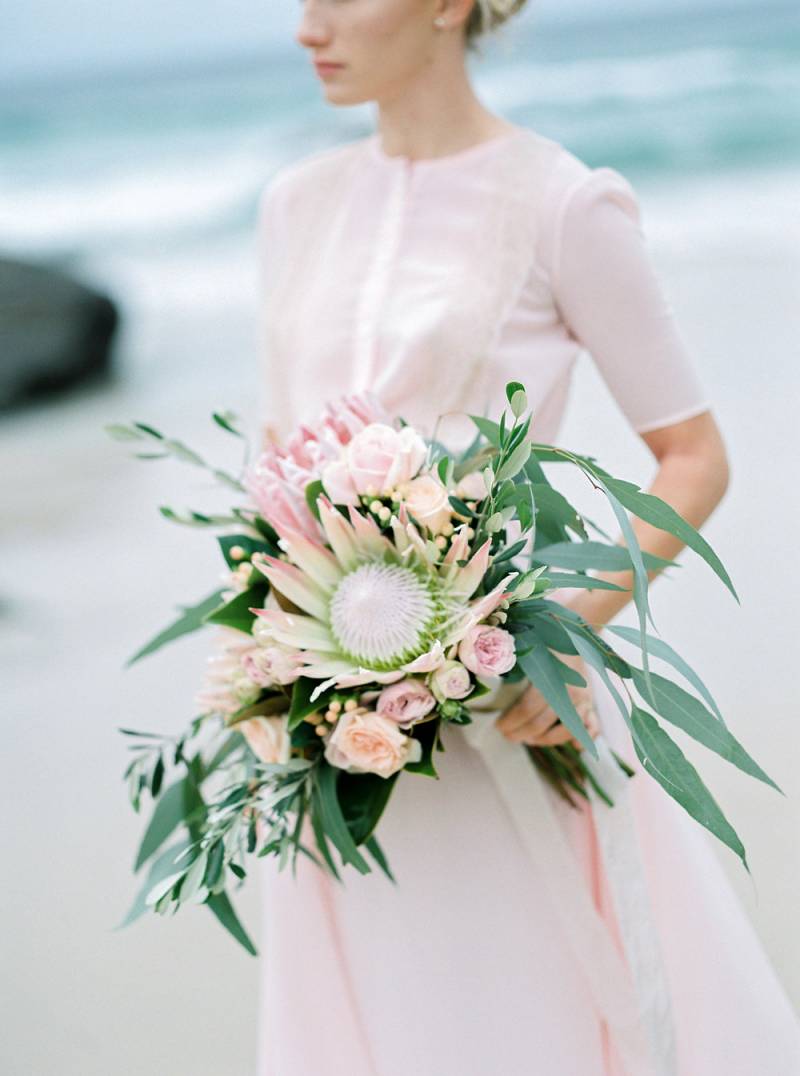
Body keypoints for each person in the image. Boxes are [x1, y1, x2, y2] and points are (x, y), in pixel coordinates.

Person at [253, 2, 800, 1073]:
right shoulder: (291, 204)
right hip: (339, 741)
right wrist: (268, 669)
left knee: (539, 1015)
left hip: (510, 711)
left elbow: (693, 455)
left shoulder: (562, 201)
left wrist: (575, 634)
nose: (305, 26)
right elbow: (271, 461)